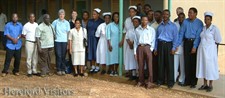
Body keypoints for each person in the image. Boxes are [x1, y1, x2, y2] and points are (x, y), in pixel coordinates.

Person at [178, 7, 203, 88]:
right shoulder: (185, 21)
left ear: (196, 14)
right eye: (188, 13)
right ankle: (187, 81)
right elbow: (181, 33)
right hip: (187, 43)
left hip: (195, 43)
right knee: (187, 63)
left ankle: (193, 82)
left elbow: (198, 36)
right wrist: (177, 44)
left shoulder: (199, 23)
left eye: (191, 13)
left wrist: (195, 46)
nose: (189, 14)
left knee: (194, 63)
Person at [196, 12, 222, 92]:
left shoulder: (214, 28)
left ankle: (210, 85)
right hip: (202, 51)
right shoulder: (203, 28)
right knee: (203, 66)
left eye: (208, 19)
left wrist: (211, 46)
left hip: (210, 52)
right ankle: (205, 84)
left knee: (210, 67)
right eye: (205, 19)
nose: (206, 21)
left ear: (211, 20)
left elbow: (218, 40)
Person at [154, 10, 178, 88]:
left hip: (169, 45)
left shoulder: (173, 26)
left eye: (167, 14)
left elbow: (175, 38)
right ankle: (160, 80)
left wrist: (174, 48)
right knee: (160, 64)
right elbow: (156, 38)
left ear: (169, 15)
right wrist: (156, 48)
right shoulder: (159, 26)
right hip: (161, 45)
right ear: (162, 15)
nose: (165, 16)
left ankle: (170, 82)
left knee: (169, 64)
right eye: (164, 14)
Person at [134, 16, 156, 89]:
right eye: (143, 20)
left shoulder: (151, 30)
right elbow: (135, 41)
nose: (144, 21)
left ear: (148, 21)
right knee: (140, 65)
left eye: (146, 20)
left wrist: (151, 49)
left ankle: (150, 82)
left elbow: (153, 40)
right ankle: (141, 81)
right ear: (141, 21)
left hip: (148, 47)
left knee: (149, 65)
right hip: (140, 47)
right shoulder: (137, 30)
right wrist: (135, 52)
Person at [52, 9, 70, 76]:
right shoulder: (55, 22)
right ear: (58, 15)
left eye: (62, 14)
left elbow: (68, 33)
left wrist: (68, 42)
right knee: (58, 55)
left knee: (63, 55)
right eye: (60, 14)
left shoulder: (67, 23)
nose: (61, 15)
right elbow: (52, 31)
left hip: (64, 41)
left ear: (64, 15)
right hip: (57, 41)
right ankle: (58, 69)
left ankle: (63, 69)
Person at [87, 8, 104, 73]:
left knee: (96, 52)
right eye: (93, 14)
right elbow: (87, 29)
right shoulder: (90, 21)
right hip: (90, 39)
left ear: (98, 15)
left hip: (97, 39)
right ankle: (93, 66)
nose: (93, 15)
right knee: (91, 52)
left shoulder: (101, 21)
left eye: (94, 14)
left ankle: (97, 66)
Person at [121, 6, 137, 77]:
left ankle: (134, 72)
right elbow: (124, 31)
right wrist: (122, 40)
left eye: (133, 12)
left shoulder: (137, 19)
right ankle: (129, 71)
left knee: (134, 56)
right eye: (130, 12)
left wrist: (133, 42)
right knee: (127, 55)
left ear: (135, 12)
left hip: (135, 40)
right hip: (127, 40)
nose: (131, 13)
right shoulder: (127, 20)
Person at [125, 16, 140, 80]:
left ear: (139, 22)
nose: (135, 23)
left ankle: (138, 75)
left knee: (137, 62)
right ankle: (132, 75)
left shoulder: (140, 29)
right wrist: (130, 44)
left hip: (138, 48)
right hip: (130, 48)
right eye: (134, 22)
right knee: (131, 61)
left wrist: (133, 43)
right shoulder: (130, 30)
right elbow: (127, 38)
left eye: (136, 22)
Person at [106, 12, 120, 76]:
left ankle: (116, 70)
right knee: (111, 57)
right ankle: (112, 70)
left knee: (118, 57)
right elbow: (108, 36)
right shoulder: (110, 25)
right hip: (112, 42)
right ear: (113, 18)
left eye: (117, 16)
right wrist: (109, 44)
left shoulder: (121, 24)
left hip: (119, 43)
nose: (116, 18)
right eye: (114, 16)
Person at [150, 10, 162, 82]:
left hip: (162, 45)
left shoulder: (163, 24)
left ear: (161, 16)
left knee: (161, 63)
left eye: (157, 15)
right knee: (154, 63)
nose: (155, 16)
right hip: (154, 46)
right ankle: (155, 78)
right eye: (155, 15)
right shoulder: (152, 25)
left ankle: (161, 78)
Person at [174, 12, 186, 85]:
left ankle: (182, 79)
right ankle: (174, 78)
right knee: (175, 64)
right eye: (179, 17)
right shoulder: (175, 24)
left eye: (182, 17)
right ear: (177, 17)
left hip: (184, 46)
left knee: (182, 64)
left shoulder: (186, 24)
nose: (181, 19)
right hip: (176, 46)